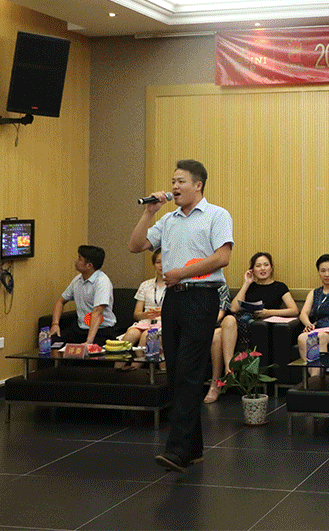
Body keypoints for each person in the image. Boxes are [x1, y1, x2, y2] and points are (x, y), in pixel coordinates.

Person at [129, 159, 233, 472]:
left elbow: (222, 257)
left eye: (181, 181)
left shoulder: (217, 214)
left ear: (198, 185)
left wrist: (181, 273)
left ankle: (177, 451)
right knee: (176, 372)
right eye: (173, 181)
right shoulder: (168, 220)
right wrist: (149, 213)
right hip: (173, 300)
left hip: (201, 297)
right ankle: (194, 448)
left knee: (189, 371)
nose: (174, 187)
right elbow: (135, 245)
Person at [205, 252, 297, 403]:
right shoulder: (250, 286)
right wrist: (246, 283)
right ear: (252, 269)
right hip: (238, 322)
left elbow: (293, 310)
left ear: (271, 267)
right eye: (258, 266)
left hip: (255, 327)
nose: (262, 268)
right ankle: (227, 370)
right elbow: (234, 308)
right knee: (223, 327)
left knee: (218, 333)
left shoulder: (279, 287)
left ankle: (217, 383)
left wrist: (268, 312)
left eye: (266, 265)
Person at [49, 245, 120, 347]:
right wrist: (55, 324)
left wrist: (89, 341)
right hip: (80, 328)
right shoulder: (77, 280)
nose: (75, 261)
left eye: (79, 259)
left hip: (101, 330)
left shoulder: (102, 281)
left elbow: (98, 312)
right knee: (52, 342)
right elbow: (60, 301)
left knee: (89, 351)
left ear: (89, 265)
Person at [115, 248, 166, 370]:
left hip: (164, 322)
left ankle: (135, 368)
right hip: (145, 322)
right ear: (154, 264)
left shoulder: (174, 285)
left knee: (147, 335)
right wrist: (145, 315)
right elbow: (136, 314)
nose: (161, 265)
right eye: (158, 262)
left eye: (164, 262)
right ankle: (117, 368)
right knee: (131, 334)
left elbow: (178, 312)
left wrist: (162, 312)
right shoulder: (145, 285)